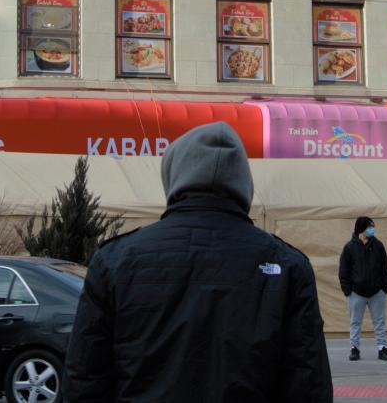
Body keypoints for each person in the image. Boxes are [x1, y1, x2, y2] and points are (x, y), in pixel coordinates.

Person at [64, 122, 332, 402]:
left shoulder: (116, 260)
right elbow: (309, 385)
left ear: (172, 176)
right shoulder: (287, 265)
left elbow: (84, 380)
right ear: (243, 182)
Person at [339, 215, 387, 361]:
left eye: (372, 227)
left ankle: (382, 348)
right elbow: (344, 270)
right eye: (369, 227)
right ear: (361, 229)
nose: (372, 229)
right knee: (355, 322)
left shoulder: (378, 245)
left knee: (379, 321)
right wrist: (347, 290)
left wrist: (384, 287)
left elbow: (385, 268)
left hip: (377, 292)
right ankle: (354, 348)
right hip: (356, 292)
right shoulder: (349, 247)